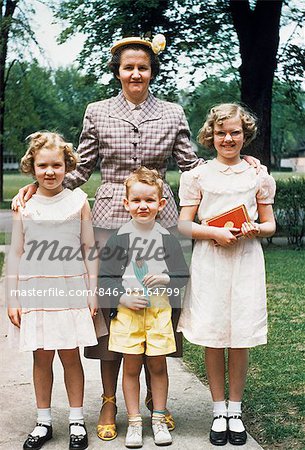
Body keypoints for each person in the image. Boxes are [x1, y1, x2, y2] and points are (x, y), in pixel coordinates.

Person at [12, 35, 261, 440]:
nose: (135, 74)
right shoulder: (97, 111)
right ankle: (110, 400)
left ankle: (155, 404)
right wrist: (38, 189)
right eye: (128, 67)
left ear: (151, 71)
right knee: (113, 315)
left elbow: (192, 163)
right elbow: (82, 167)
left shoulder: (172, 112)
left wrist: (233, 158)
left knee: (158, 309)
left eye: (142, 67)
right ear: (118, 71)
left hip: (159, 217)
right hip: (112, 216)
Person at [177, 104, 276, 446]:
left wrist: (255, 229)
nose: (228, 138)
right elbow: (184, 223)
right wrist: (213, 233)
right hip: (211, 260)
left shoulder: (257, 175)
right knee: (214, 333)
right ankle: (218, 410)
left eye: (234, 132)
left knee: (240, 334)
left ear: (244, 135)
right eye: (221, 133)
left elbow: (270, 223)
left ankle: (236, 409)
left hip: (246, 260)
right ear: (211, 135)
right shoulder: (198, 176)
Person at [6, 131, 107, 450]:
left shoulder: (78, 201)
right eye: (43, 166)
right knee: (41, 357)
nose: (50, 172)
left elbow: (90, 247)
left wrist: (92, 292)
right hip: (35, 291)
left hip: (71, 288)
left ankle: (76, 420)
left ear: (67, 166)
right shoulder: (25, 205)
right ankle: (44, 421)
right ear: (32, 167)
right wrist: (12, 297)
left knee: (71, 356)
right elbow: (16, 252)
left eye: (57, 165)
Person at [99, 167, 189, 448]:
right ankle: (135, 421)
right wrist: (122, 298)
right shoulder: (119, 238)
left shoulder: (167, 239)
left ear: (161, 204)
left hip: (159, 313)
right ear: (126, 204)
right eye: (136, 200)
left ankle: (159, 418)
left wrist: (165, 278)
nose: (143, 206)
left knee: (158, 366)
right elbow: (105, 278)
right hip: (128, 314)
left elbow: (182, 275)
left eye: (149, 200)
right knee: (130, 367)